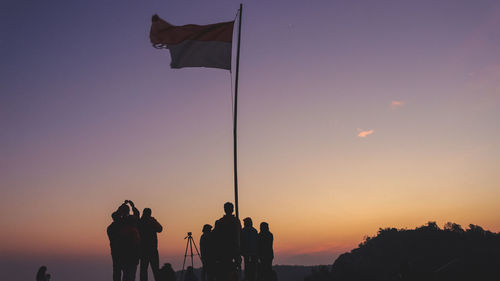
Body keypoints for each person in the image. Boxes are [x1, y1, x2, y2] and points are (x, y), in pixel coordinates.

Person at [108, 200, 141, 281]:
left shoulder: (113, 226)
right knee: (129, 276)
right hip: (132, 256)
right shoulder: (132, 222)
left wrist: (121, 207)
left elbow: (114, 215)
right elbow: (137, 215)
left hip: (118, 255)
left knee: (117, 275)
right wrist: (133, 206)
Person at [213, 202, 242, 281]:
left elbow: (215, 235)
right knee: (231, 270)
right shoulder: (235, 221)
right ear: (232, 209)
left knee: (225, 271)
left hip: (224, 250)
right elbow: (240, 234)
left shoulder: (220, 222)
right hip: (232, 249)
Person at [139, 207, 163, 281]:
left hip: (143, 250)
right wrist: (153, 220)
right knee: (156, 270)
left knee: (143, 271)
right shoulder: (152, 221)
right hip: (153, 250)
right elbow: (160, 229)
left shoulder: (140, 222)